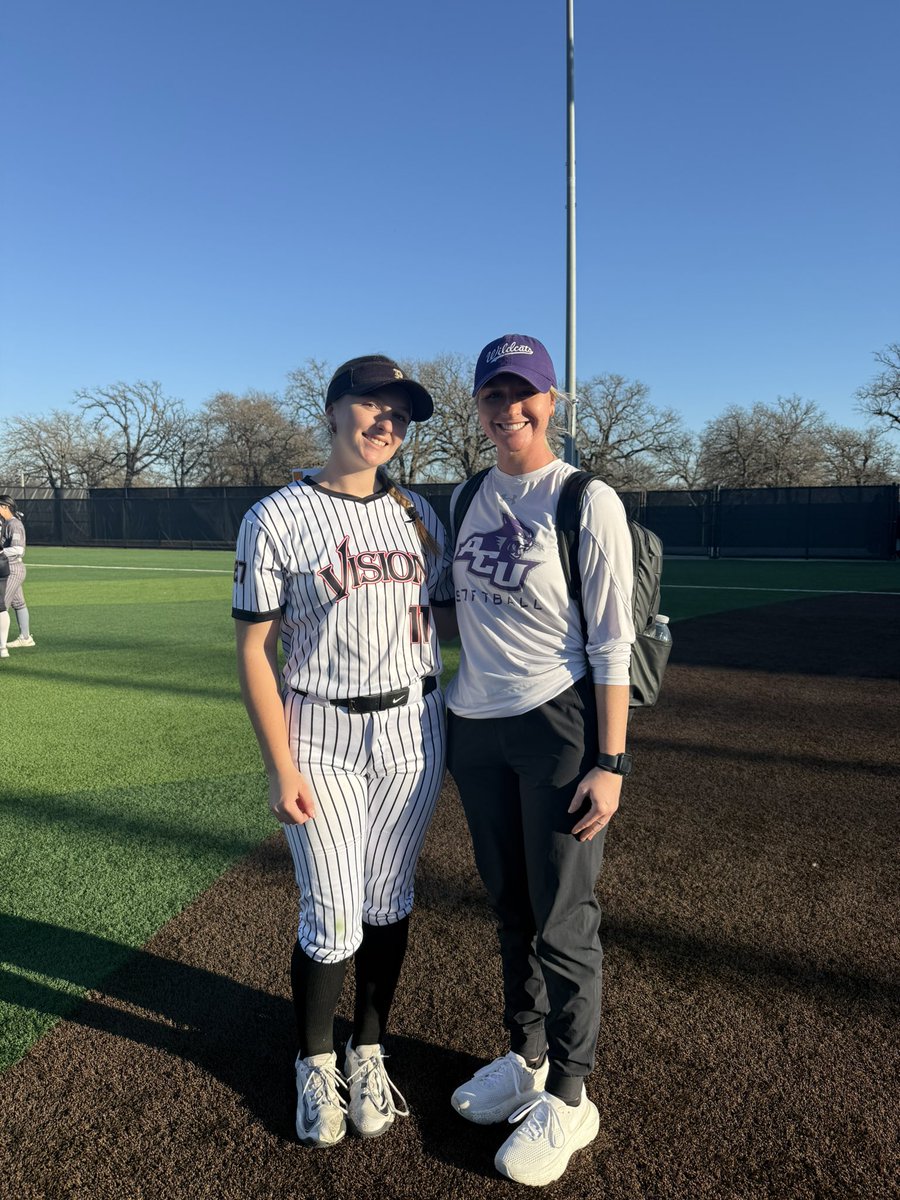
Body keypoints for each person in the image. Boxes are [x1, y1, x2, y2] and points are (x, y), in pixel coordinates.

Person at [232, 355, 449, 1149]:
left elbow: (459, 620)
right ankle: (313, 1060)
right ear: (333, 412)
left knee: (389, 900)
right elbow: (254, 651)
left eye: (401, 412)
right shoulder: (277, 515)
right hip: (318, 730)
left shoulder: (422, 513)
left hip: (412, 731)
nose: (386, 421)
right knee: (331, 914)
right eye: (371, 405)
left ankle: (369, 1047)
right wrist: (278, 763)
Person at [441, 335, 635, 1188]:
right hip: (474, 728)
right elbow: (451, 609)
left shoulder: (585, 500)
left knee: (563, 916)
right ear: (477, 405)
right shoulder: (465, 495)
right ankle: (521, 1057)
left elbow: (613, 643)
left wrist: (612, 760)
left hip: (555, 729)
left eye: (523, 394)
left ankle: (570, 1092)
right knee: (509, 902)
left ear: (551, 402)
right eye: (493, 395)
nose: (506, 409)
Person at [0, 496, 34, 654]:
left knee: (1, 606)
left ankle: (2, 647)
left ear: (5, 507)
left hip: (13, 569)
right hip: (9, 568)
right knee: (19, 604)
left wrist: (1, 552)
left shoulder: (14, 524)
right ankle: (25, 637)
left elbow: (18, 549)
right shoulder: (6, 523)